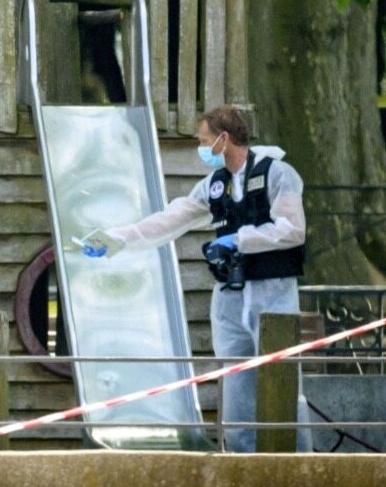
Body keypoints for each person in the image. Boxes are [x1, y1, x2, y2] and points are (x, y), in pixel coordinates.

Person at [79, 106, 311, 453]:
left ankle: (299, 457)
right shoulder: (214, 185)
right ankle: (241, 454)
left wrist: (240, 239)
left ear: (223, 139)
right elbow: (170, 220)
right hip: (230, 292)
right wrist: (115, 240)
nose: (201, 149)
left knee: (281, 376)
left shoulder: (278, 174)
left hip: (272, 290)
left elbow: (293, 230)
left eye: (204, 141)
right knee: (235, 377)